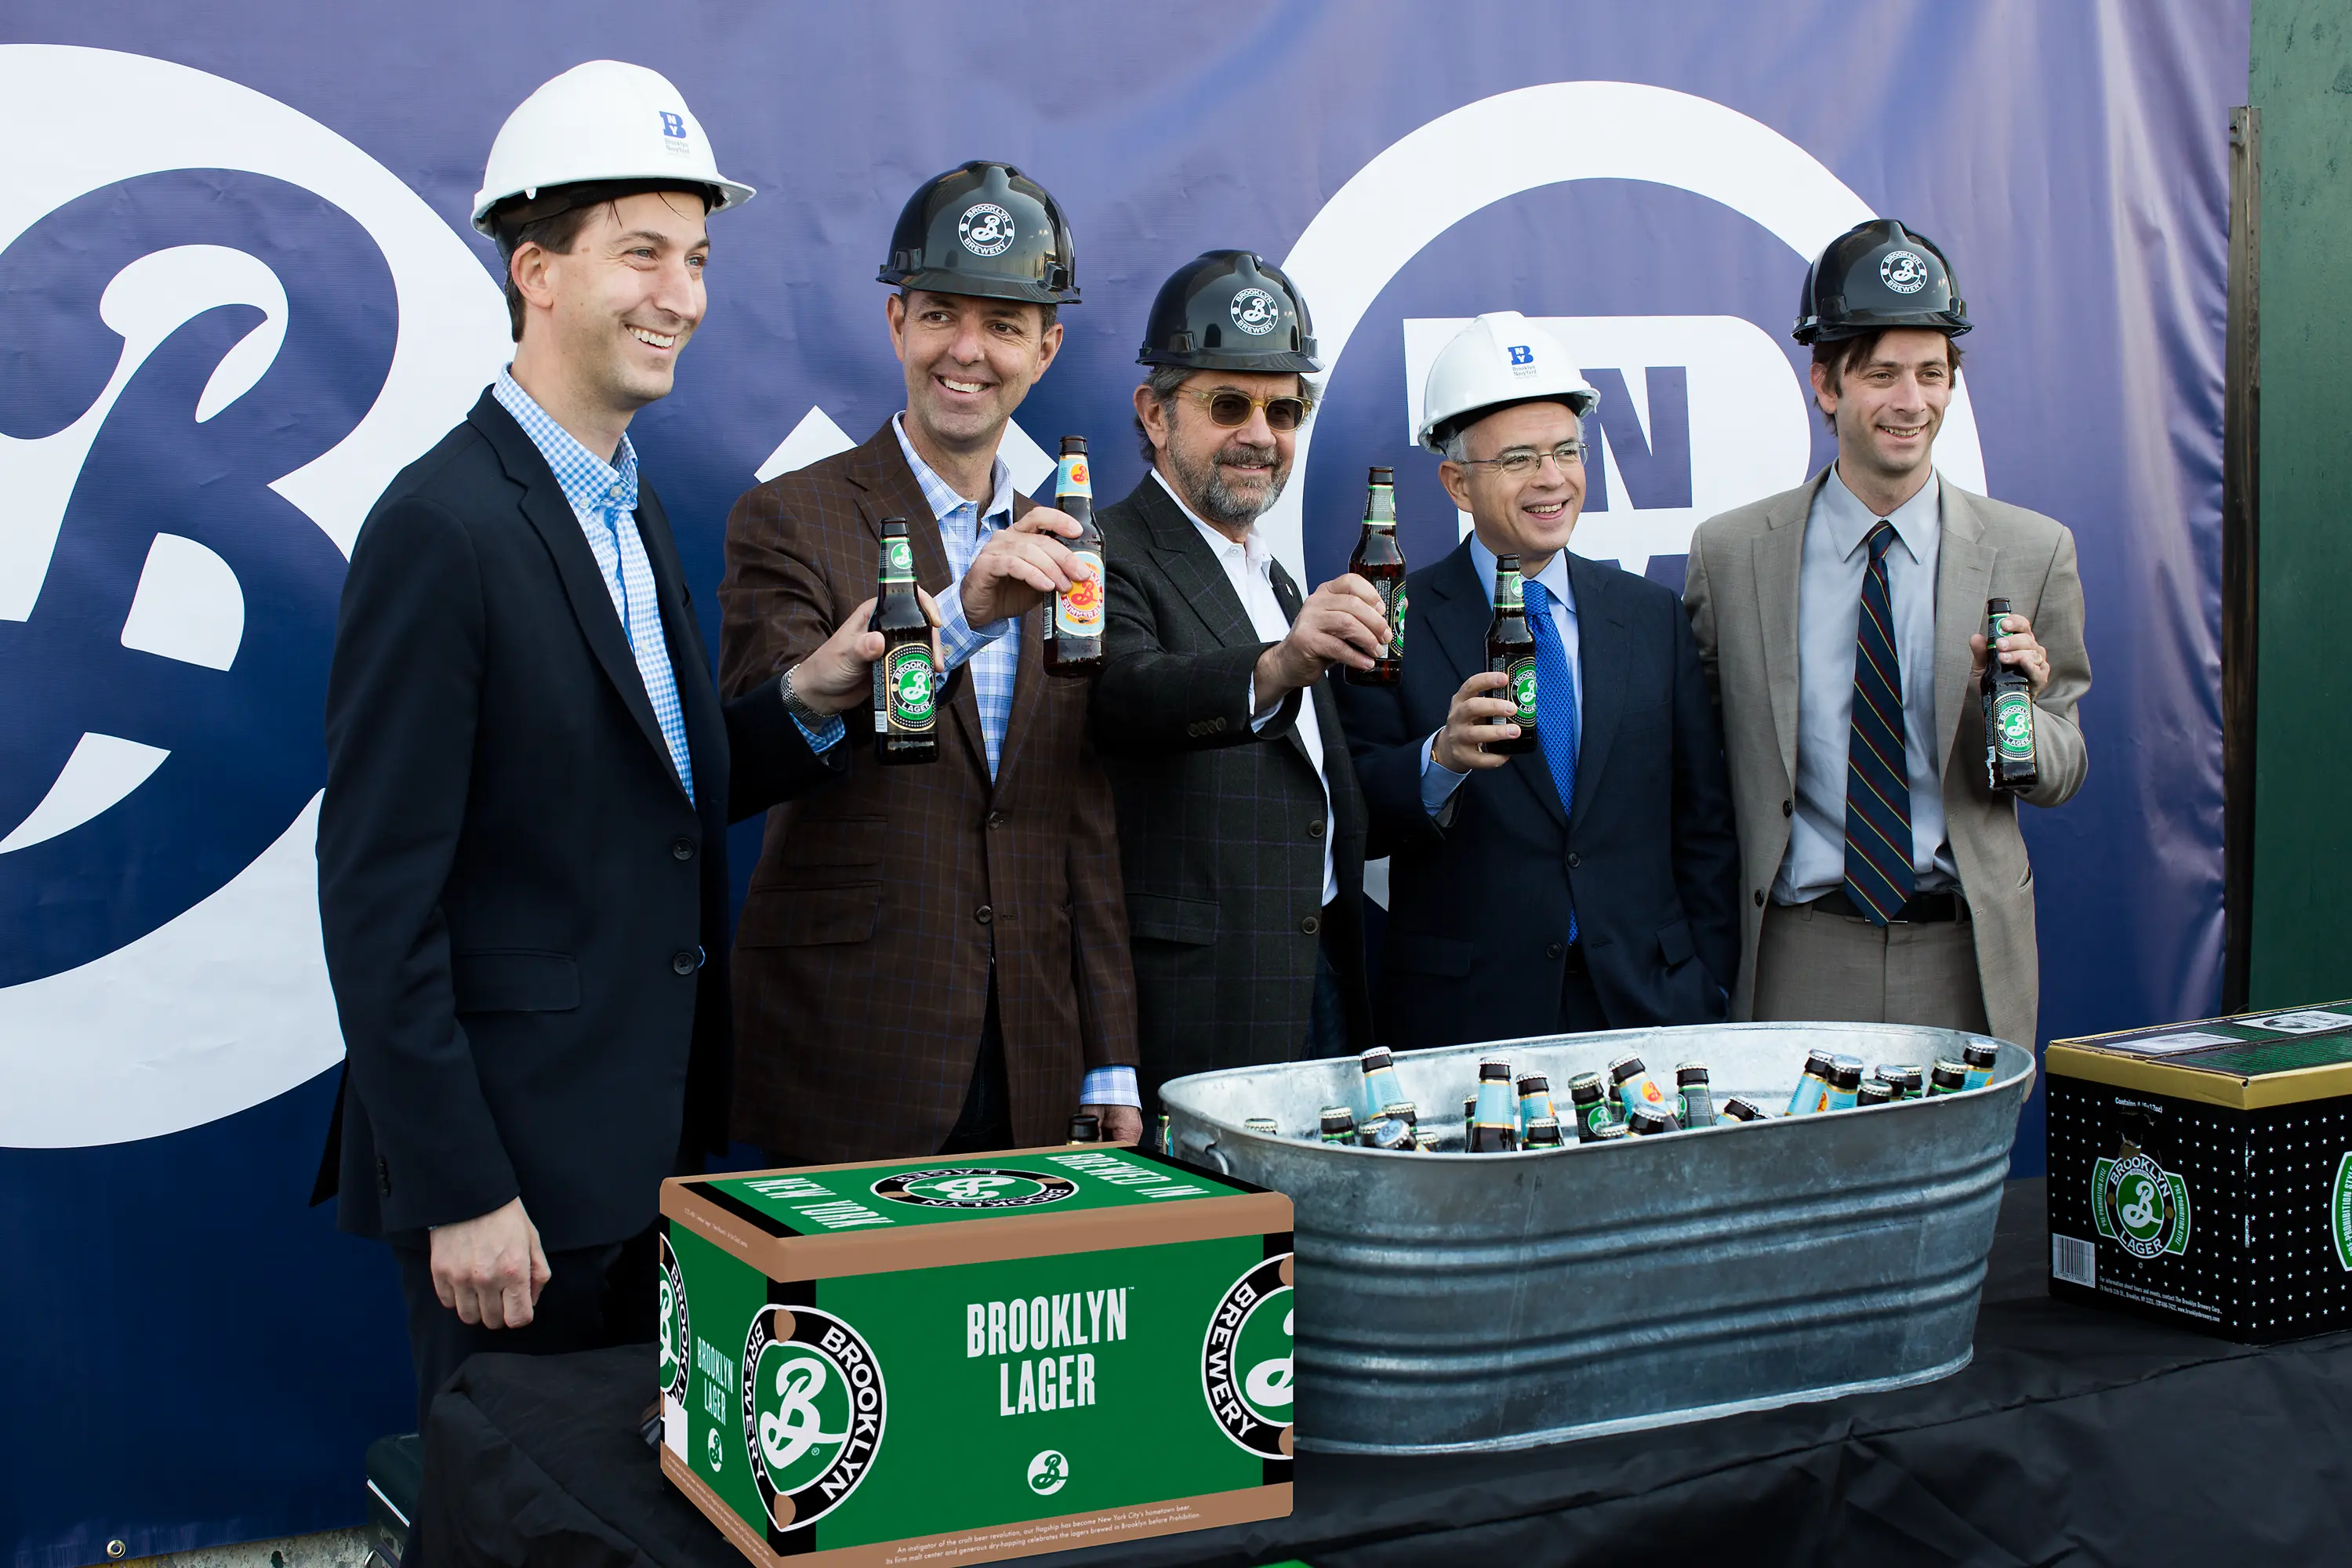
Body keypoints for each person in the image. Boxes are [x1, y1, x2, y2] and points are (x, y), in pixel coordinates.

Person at [314, 62, 895, 1491]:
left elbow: (642, 802)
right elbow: (377, 900)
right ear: (536, 271)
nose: (683, 297)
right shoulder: (443, 529)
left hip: (648, 1165)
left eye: (697, 261)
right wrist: (464, 1192)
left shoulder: (625, 509)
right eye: (642, 253)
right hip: (514, 1189)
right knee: (511, 1515)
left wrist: (808, 701)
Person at [720, 161, 1141, 1162]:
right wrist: (956, 613)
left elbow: (1081, 811)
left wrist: (1110, 1057)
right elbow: (753, 748)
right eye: (942, 315)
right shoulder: (790, 515)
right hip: (850, 1045)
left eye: (1004, 325)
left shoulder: (1074, 540)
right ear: (896, 321)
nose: (968, 351)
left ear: (1048, 349)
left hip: (1037, 1051)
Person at [1682, 219, 2089, 1047]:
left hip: (1963, 958)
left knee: (1959, 1181)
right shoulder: (1730, 556)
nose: (1912, 401)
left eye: (1933, 374)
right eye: (1883, 374)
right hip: (1798, 952)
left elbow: (2063, 769)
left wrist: (2018, 711)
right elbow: (1696, 771)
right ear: (1826, 385)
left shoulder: (2032, 550)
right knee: (1799, 1179)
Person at [1335, 312, 1739, 1047]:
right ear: (1457, 483)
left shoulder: (1652, 618)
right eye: (1519, 458)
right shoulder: (1391, 616)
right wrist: (1439, 761)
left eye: (1566, 452)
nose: (1552, 479)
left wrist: (1705, 982)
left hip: (1650, 1009)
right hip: (1471, 1020)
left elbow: (1704, 827)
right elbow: (1350, 815)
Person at [1089, 252, 1379, 1107]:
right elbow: (1131, 692)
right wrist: (1279, 663)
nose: (1261, 432)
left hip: (1319, 979)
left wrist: (1442, 759)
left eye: (1284, 408)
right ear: (1153, 413)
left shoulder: (1275, 575)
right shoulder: (1101, 549)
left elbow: (1309, 794)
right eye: (1228, 404)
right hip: (1195, 1005)